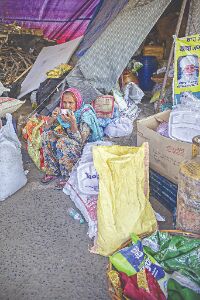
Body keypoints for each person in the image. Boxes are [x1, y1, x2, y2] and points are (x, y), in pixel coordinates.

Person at [41, 87, 103, 189]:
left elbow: (81, 141)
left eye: (71, 103)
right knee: (47, 136)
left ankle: (68, 177)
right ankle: (52, 171)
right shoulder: (62, 112)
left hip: (86, 149)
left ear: (77, 102)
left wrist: (73, 123)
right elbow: (45, 129)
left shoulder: (85, 114)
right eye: (64, 102)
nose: (67, 106)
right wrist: (52, 118)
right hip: (71, 144)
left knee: (62, 142)